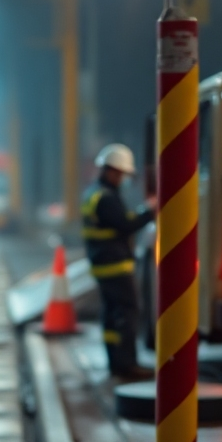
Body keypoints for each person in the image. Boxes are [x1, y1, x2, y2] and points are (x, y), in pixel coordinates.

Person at [81, 144, 156, 382]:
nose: (124, 179)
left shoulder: (93, 194)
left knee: (112, 316)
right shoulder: (106, 198)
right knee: (127, 313)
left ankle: (116, 362)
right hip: (115, 266)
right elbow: (125, 224)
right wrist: (150, 212)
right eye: (123, 174)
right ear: (112, 171)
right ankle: (127, 365)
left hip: (102, 265)